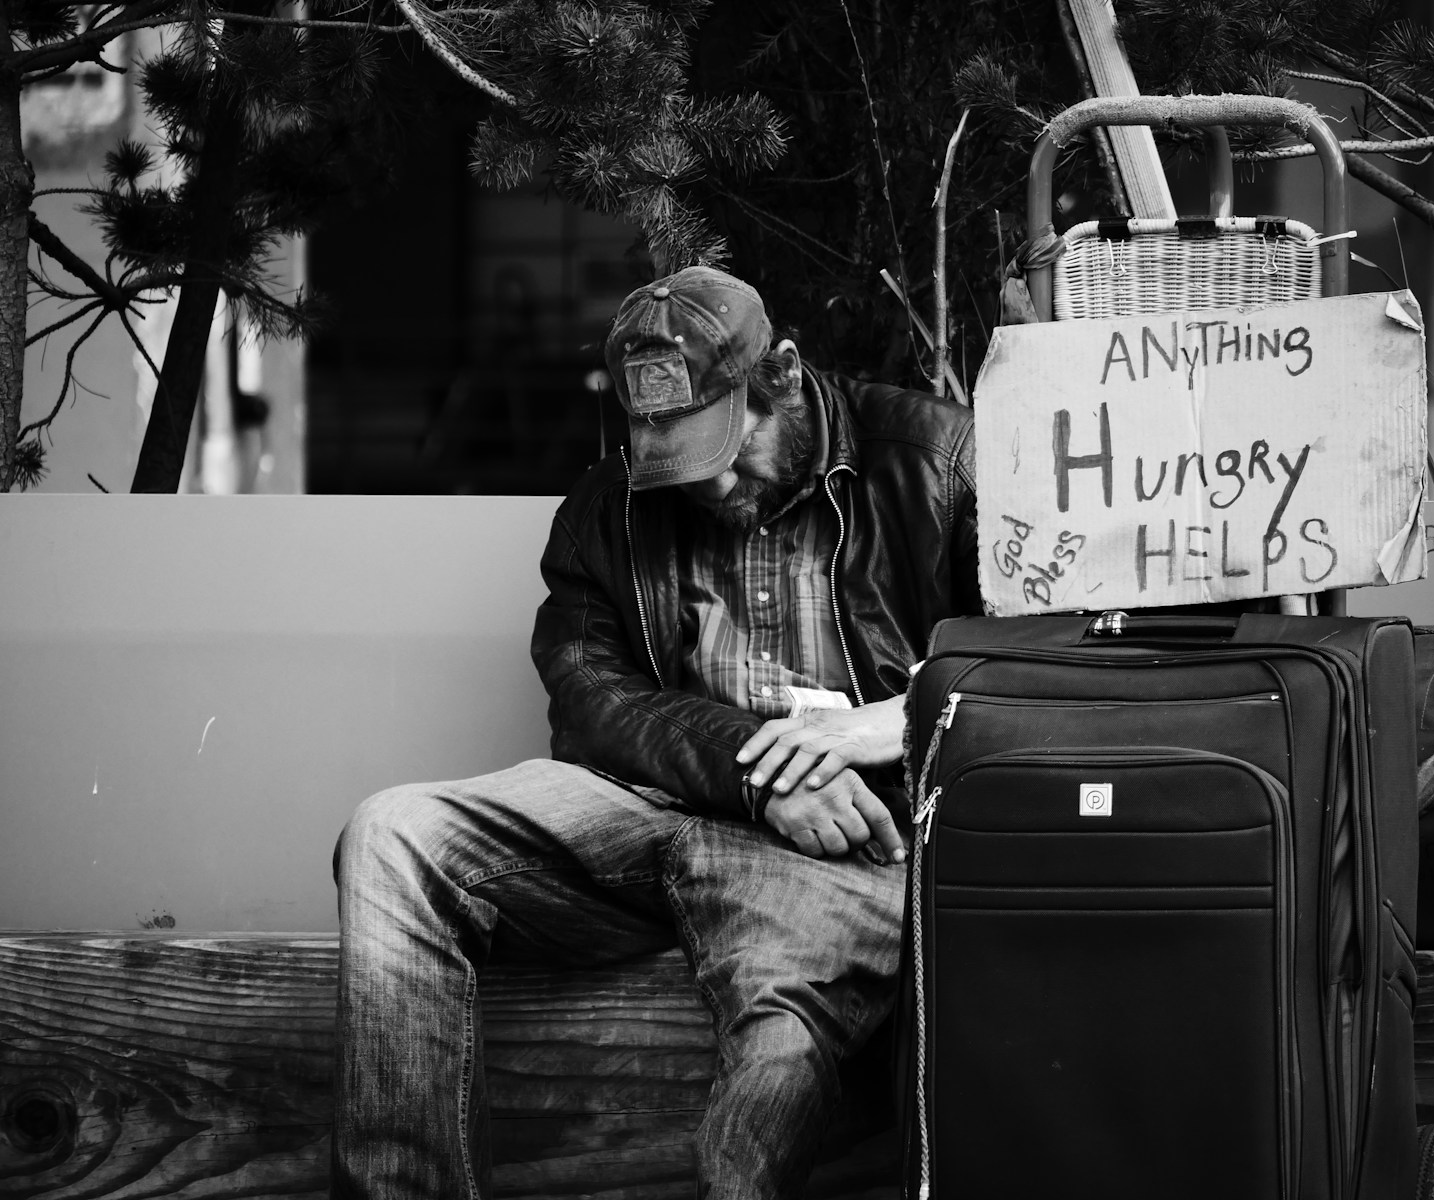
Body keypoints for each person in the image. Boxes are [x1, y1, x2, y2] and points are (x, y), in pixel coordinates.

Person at [331, 265, 980, 1199]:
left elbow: (1052, 668)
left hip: (841, 856)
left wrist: (905, 716)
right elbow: (589, 698)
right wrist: (757, 770)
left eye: (723, 445)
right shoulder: (613, 504)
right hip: (654, 810)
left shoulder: (936, 464)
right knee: (393, 833)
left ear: (784, 377)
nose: (705, 482)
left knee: (764, 1103)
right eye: (670, 454)